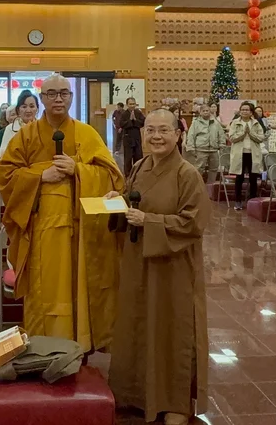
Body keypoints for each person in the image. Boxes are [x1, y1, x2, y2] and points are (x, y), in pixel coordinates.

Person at [0, 73, 124, 352]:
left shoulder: (87, 133)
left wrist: (77, 169)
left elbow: (112, 176)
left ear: (71, 97)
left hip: (82, 231)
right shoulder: (27, 135)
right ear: (42, 99)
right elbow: (5, 176)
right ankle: (43, 349)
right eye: (51, 93)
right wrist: (42, 175)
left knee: (79, 288)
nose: (58, 99)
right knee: (46, 290)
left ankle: (81, 347)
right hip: (42, 229)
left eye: (64, 93)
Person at [108, 109, 209, 425]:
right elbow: (131, 202)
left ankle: (175, 402)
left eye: (163, 130)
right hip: (139, 262)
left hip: (173, 266)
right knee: (138, 324)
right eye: (150, 130)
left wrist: (149, 221)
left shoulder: (187, 174)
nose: (155, 136)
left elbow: (193, 223)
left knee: (172, 330)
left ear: (178, 134)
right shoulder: (139, 166)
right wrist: (116, 200)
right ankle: (136, 394)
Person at [227, 102, 265, 211]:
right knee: (240, 177)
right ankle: (238, 201)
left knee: (253, 178)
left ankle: (252, 201)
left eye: (247, 110)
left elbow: (261, 138)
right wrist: (243, 133)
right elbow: (232, 138)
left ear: (251, 112)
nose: (244, 111)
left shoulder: (256, 123)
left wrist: (251, 133)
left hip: (253, 153)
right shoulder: (235, 122)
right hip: (240, 153)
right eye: (242, 109)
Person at [0, 91, 38, 174]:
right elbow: (3, 152)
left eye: (32, 106)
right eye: (24, 106)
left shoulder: (41, 127)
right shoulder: (10, 128)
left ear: (37, 109)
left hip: (37, 169)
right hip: (16, 171)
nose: (28, 110)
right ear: (18, 110)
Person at [186, 103, 225, 182]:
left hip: (214, 150)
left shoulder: (216, 122)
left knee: (214, 169)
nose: (206, 112)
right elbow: (191, 135)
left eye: (207, 110)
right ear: (200, 112)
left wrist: (222, 145)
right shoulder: (195, 123)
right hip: (201, 149)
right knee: (199, 168)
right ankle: (198, 185)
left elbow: (221, 134)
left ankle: (211, 186)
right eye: (204, 111)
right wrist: (191, 147)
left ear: (210, 111)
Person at [116, 98, 145, 173]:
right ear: (127, 105)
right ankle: (128, 175)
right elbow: (121, 124)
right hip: (128, 137)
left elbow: (143, 122)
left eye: (133, 104)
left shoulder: (138, 112)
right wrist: (130, 121)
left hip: (137, 137)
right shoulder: (124, 114)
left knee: (138, 157)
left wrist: (135, 120)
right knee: (128, 159)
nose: (132, 106)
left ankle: (138, 174)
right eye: (130, 104)